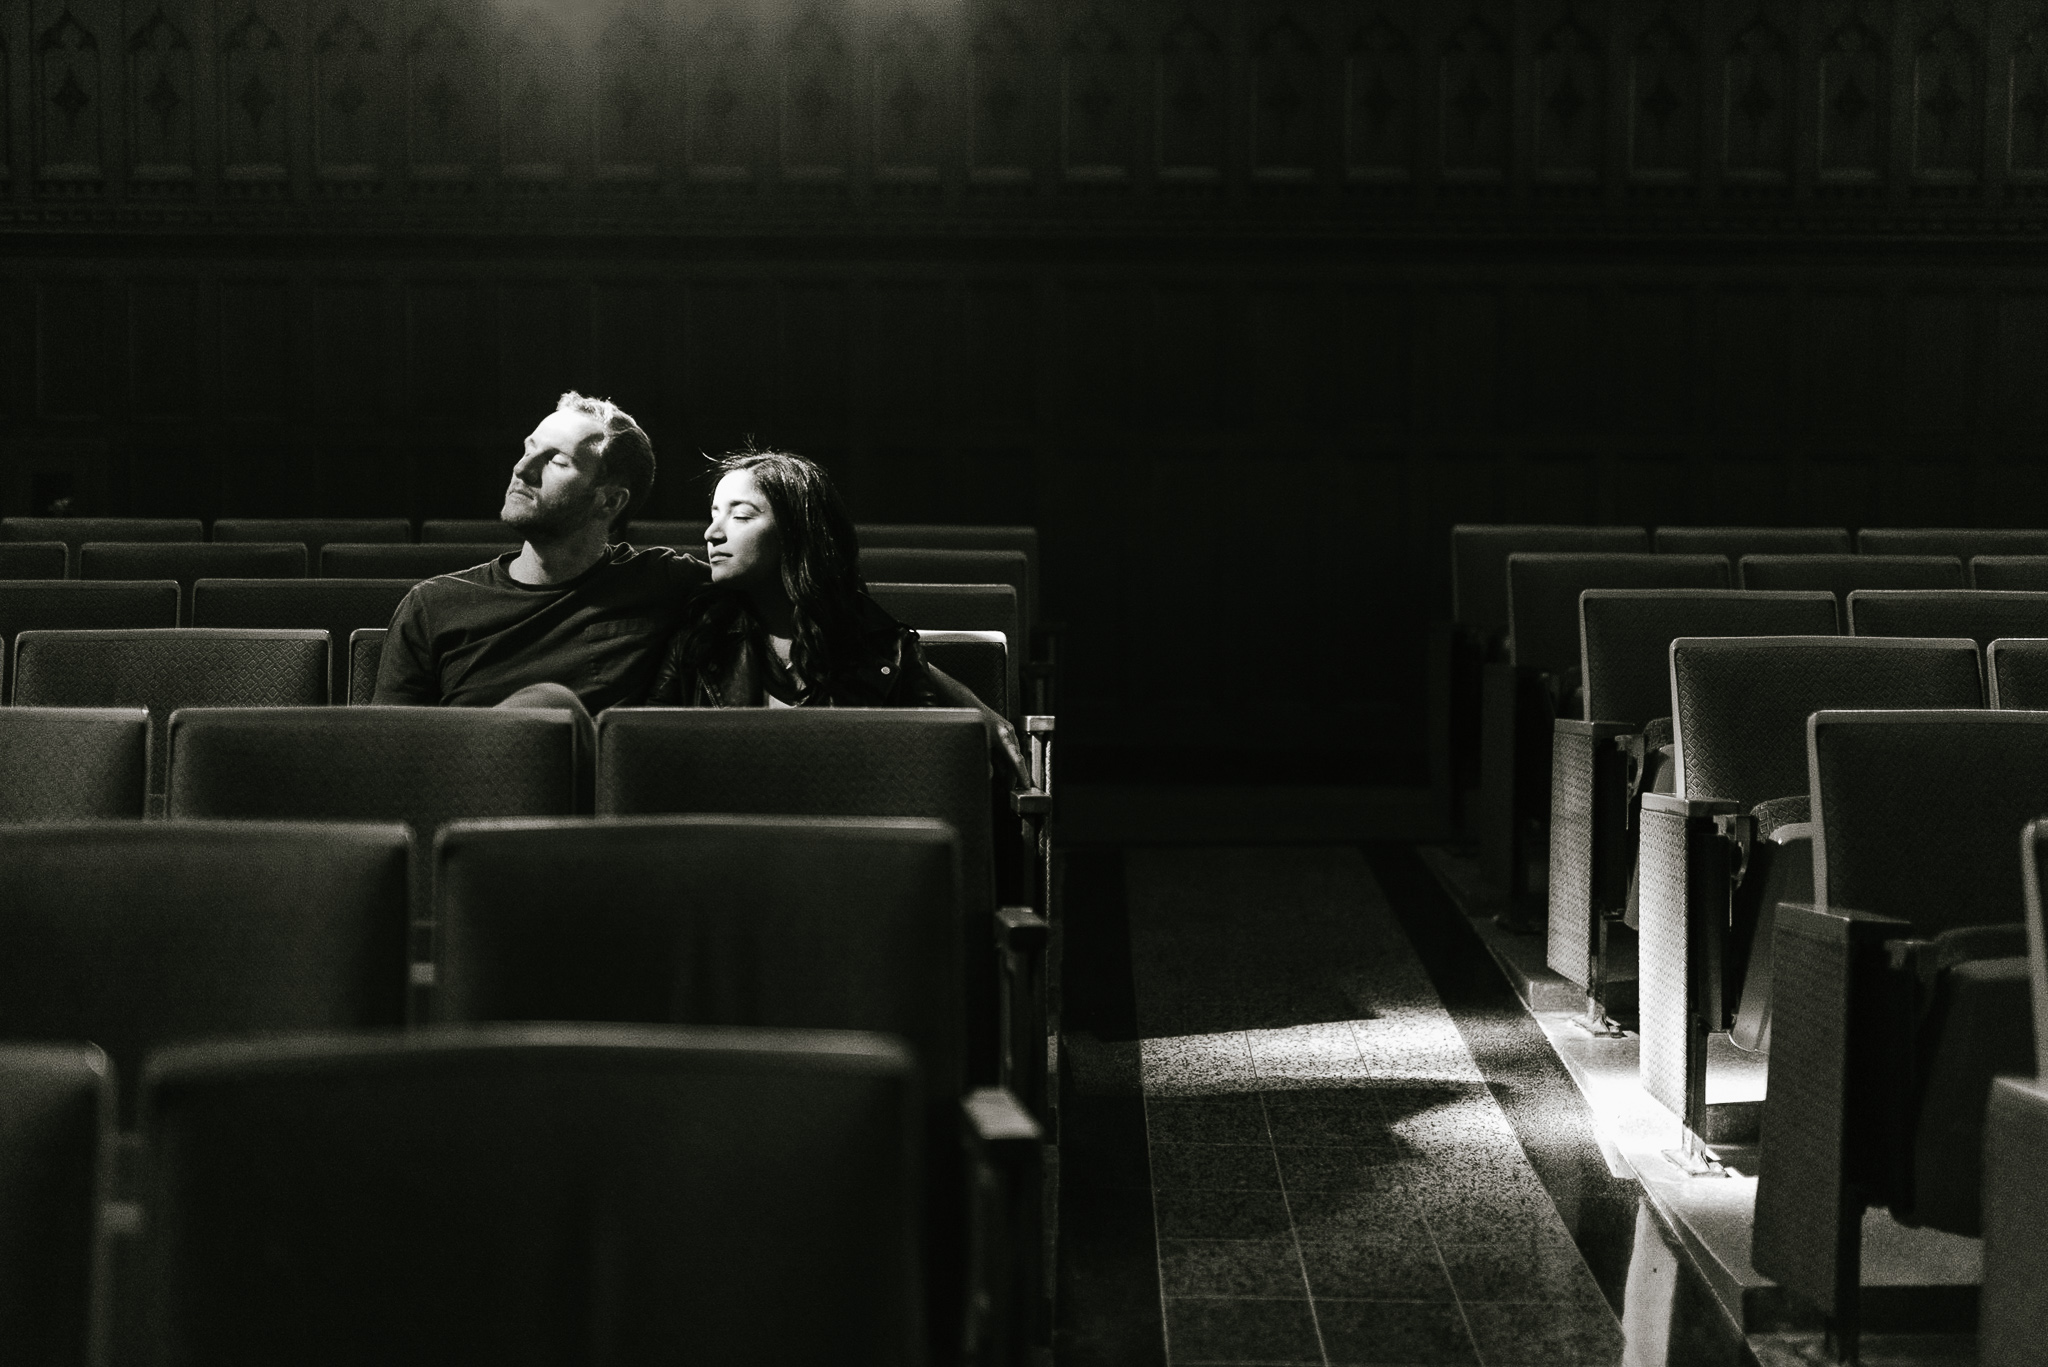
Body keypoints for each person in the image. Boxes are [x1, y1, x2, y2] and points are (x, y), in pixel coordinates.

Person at [647, 448, 1030, 782]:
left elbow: (921, 782)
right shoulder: (698, 640)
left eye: (741, 516)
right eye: (713, 514)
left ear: (795, 533)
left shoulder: (885, 651)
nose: (712, 533)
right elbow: (649, 756)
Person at [373, 392, 706, 716]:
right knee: (549, 704)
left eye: (556, 461)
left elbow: (755, 574)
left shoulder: (661, 581)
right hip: (469, 768)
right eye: (528, 449)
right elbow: (392, 750)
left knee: (553, 704)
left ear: (609, 501)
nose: (523, 469)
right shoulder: (433, 606)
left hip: (596, 769)